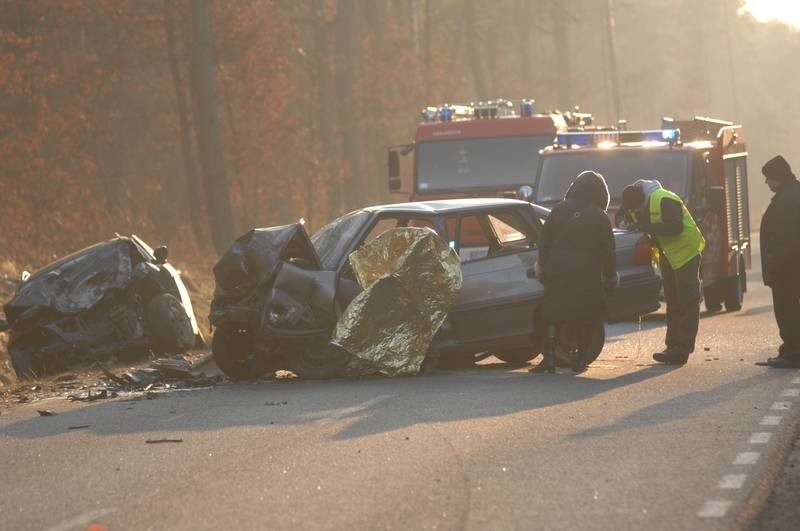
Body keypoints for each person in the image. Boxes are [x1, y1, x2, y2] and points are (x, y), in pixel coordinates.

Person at [531, 170, 618, 374]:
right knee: (585, 315)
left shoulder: (559, 210)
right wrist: (610, 275)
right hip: (587, 271)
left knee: (552, 313)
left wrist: (543, 265)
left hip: (558, 267)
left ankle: (550, 359)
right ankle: (581, 360)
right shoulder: (599, 216)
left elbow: (543, 242)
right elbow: (608, 251)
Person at [619, 179, 705, 365]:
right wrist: (626, 223)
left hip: (687, 253)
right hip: (668, 256)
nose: (637, 213)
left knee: (687, 301)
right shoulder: (633, 201)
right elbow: (622, 217)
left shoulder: (665, 199)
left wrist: (644, 227)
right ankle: (672, 345)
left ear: (644, 200)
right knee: (673, 302)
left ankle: (682, 349)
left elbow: (676, 227)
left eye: (639, 209)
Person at [759, 155, 800, 368]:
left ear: (778, 177)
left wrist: (774, 264)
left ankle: (793, 353)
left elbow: (784, 239)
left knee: (786, 311)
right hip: (790, 267)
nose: (767, 183)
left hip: (787, 269)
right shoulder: (791, 193)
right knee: (789, 309)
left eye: (768, 178)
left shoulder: (788, 199)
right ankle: (790, 349)